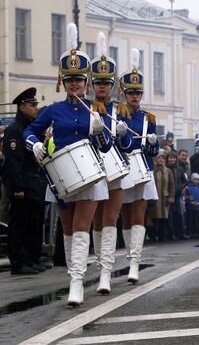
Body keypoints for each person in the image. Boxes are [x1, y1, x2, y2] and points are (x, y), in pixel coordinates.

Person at [24, 23, 112, 306]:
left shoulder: (94, 111)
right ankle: (73, 277)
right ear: (63, 80)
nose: (74, 84)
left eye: (79, 79)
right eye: (70, 79)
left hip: (89, 175)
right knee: (68, 228)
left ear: (86, 82)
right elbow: (30, 131)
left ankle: (77, 282)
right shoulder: (54, 110)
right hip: (61, 177)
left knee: (82, 226)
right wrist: (34, 144)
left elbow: (107, 147)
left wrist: (101, 132)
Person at [89, 32, 134, 294]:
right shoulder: (86, 108)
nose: (102, 87)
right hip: (93, 169)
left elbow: (127, 148)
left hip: (115, 169)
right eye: (98, 83)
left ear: (113, 84)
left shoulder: (121, 111)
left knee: (110, 219)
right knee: (94, 220)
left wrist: (125, 135)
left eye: (106, 83)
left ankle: (106, 271)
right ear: (92, 83)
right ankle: (99, 266)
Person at [119, 48, 160, 283]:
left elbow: (153, 151)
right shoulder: (117, 114)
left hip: (143, 168)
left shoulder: (148, 119)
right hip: (125, 167)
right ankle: (129, 258)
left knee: (138, 215)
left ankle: (135, 262)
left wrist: (154, 144)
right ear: (124, 93)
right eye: (131, 92)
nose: (135, 97)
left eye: (138, 93)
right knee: (125, 216)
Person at [4, 88, 47, 275]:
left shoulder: (29, 128)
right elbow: (14, 161)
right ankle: (19, 262)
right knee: (19, 224)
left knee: (33, 223)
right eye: (32, 105)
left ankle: (31, 258)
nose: (35, 108)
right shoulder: (14, 130)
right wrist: (17, 187)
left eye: (36, 104)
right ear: (22, 107)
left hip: (33, 182)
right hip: (22, 183)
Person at [148, 151, 175, 241]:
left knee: (164, 218)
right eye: (159, 158)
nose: (161, 160)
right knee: (153, 217)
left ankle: (162, 235)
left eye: (163, 158)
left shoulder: (168, 171)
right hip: (154, 197)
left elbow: (171, 185)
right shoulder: (151, 170)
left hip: (164, 197)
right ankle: (152, 236)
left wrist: (171, 197)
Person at [167, 151, 188, 239]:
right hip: (168, 194)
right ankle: (169, 234)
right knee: (169, 215)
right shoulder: (165, 169)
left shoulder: (179, 169)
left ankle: (180, 233)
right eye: (170, 157)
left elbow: (185, 181)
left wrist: (180, 187)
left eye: (174, 158)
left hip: (178, 194)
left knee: (179, 214)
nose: (172, 159)